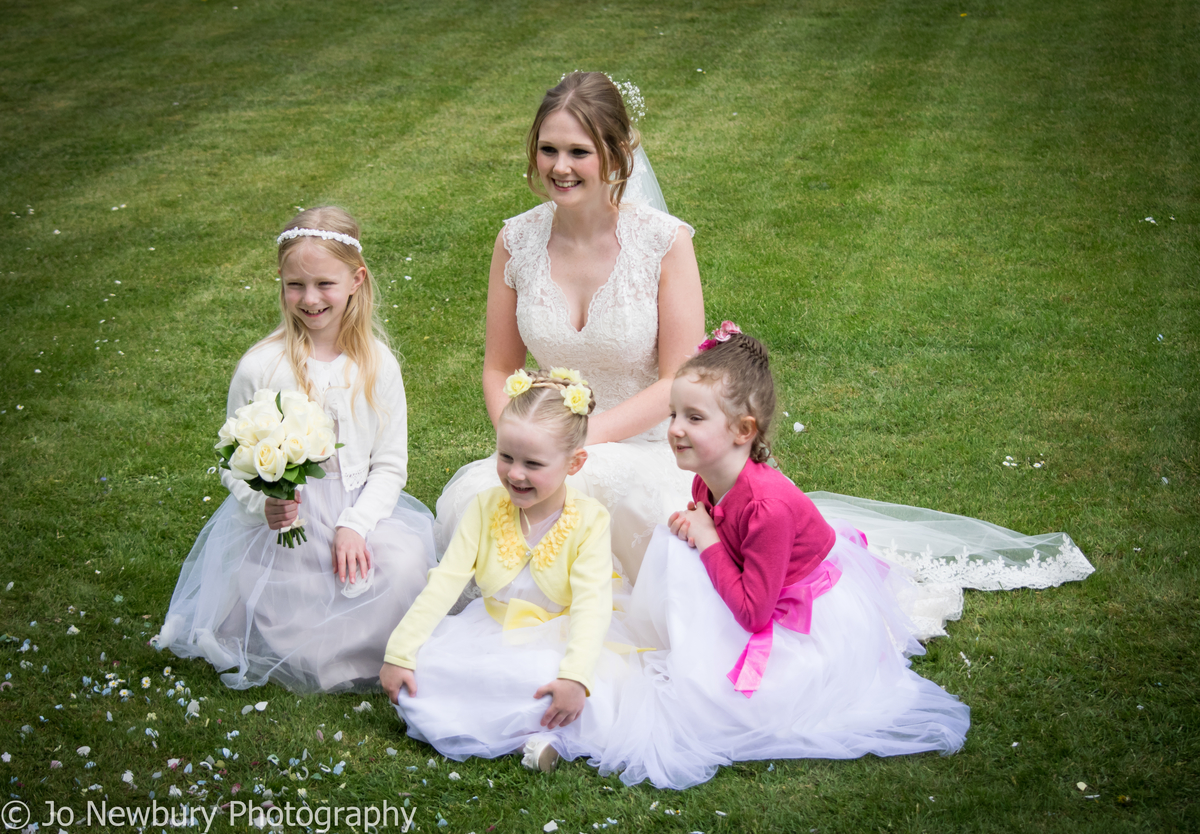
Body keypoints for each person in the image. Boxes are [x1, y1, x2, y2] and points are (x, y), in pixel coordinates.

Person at [594, 327, 972, 790]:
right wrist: (699, 526)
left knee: (729, 704)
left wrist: (709, 539)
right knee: (677, 547)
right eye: (674, 414)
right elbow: (717, 530)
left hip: (796, 613)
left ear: (743, 430)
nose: (674, 429)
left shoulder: (766, 507)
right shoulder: (705, 478)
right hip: (758, 582)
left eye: (694, 417)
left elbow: (755, 614)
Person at [434, 71, 705, 584]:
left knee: (620, 509)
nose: (560, 168)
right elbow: (499, 367)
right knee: (476, 506)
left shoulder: (665, 243)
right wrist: (520, 447)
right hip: (544, 447)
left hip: (646, 448)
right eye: (548, 149)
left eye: (579, 152)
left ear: (617, 152)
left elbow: (680, 380)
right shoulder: (515, 240)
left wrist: (580, 442)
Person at [155, 207, 437, 693]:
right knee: (295, 586)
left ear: (355, 280)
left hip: (356, 507)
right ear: (281, 283)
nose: (309, 299)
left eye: (325, 283)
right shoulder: (260, 367)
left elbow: (390, 465)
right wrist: (262, 503)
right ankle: (306, 645)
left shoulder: (378, 366)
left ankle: (373, 643)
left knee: (405, 563)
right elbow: (234, 460)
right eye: (295, 285)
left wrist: (356, 524)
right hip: (287, 518)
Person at [381, 370, 640, 772]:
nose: (515, 474)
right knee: (429, 668)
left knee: (549, 678)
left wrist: (575, 676)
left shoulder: (589, 520)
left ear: (574, 463)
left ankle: (550, 733)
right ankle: (525, 725)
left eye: (533, 463)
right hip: (489, 629)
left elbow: (592, 604)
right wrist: (401, 651)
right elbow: (444, 583)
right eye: (506, 457)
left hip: (556, 634)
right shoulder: (485, 508)